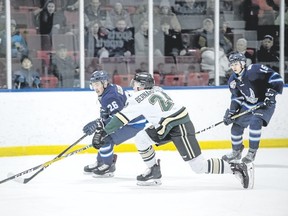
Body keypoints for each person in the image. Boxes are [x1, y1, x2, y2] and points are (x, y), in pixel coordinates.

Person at [88, 72, 254, 189]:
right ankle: (153, 171)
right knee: (141, 138)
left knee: (198, 166)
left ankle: (236, 167)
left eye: (136, 84)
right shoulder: (157, 89)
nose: (134, 87)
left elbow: (121, 118)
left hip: (179, 126)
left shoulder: (139, 98)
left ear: (142, 86)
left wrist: (104, 131)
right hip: (166, 126)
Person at [82, 70, 161, 185]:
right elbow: (110, 112)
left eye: (97, 84)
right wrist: (101, 121)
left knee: (105, 139)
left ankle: (108, 166)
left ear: (104, 83)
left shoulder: (110, 96)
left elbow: (119, 118)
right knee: (102, 136)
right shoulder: (110, 89)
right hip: (131, 119)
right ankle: (101, 161)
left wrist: (100, 125)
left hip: (133, 123)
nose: (95, 88)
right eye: (93, 85)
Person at [222, 52, 284, 164]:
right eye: (232, 65)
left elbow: (276, 78)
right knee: (236, 127)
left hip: (264, 103)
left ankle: (252, 152)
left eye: (236, 64)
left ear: (243, 63)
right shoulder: (232, 81)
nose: (233, 67)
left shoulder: (254, 70)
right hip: (248, 105)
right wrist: (231, 113)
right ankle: (236, 151)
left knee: (256, 121)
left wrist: (271, 94)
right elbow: (237, 98)